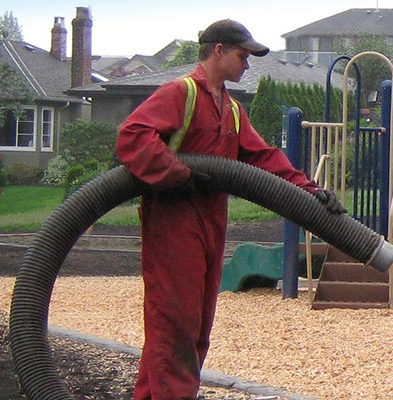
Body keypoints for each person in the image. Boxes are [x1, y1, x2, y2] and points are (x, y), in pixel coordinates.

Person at [115, 19, 346, 400]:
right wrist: (179, 173)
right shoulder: (181, 93)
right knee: (175, 325)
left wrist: (311, 190)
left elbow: (264, 159)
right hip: (174, 221)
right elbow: (133, 135)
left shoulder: (232, 109)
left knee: (195, 327)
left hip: (211, 221)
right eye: (243, 56)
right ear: (218, 50)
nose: (248, 65)